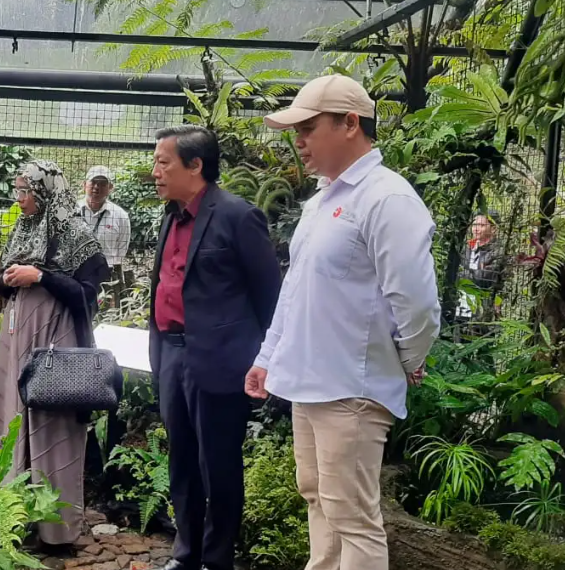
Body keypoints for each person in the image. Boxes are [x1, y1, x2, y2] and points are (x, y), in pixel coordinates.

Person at [245, 75, 441, 570]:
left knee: (353, 517)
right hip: (310, 382)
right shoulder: (322, 201)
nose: (299, 141)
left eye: (308, 128)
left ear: (351, 123)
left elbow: (417, 302)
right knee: (317, 496)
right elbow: (295, 290)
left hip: (351, 388)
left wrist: (405, 359)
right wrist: (268, 357)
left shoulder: (387, 198)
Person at [147, 126, 281, 570]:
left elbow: (270, 296)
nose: (155, 172)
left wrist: (264, 359)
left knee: (218, 465)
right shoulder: (171, 216)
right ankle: (185, 555)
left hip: (221, 360)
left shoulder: (237, 216)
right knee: (181, 461)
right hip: (171, 353)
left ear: (195, 165)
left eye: (163, 162)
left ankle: (217, 560)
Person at [0, 160, 110, 551]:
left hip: (56, 342)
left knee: (52, 427)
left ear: (44, 192)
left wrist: (40, 277)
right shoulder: (25, 227)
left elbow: (87, 295)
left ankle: (55, 530)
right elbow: (4, 284)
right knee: (12, 421)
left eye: (26, 191)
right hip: (17, 341)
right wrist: (8, 280)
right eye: (17, 190)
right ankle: (10, 516)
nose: (20, 199)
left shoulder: (76, 234)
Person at [456, 210, 504, 330]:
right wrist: (474, 272)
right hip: (462, 301)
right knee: (458, 331)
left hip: (484, 305)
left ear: (493, 229)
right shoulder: (467, 247)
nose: (476, 229)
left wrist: (464, 274)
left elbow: (482, 280)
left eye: (481, 225)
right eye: (474, 225)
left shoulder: (498, 251)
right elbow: (456, 271)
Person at [78, 166, 131, 268]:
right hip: (76, 271)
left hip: (106, 271)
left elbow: (121, 251)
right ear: (84, 185)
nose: (97, 187)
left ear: (110, 188)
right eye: (93, 182)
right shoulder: (72, 211)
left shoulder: (121, 216)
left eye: (102, 184)